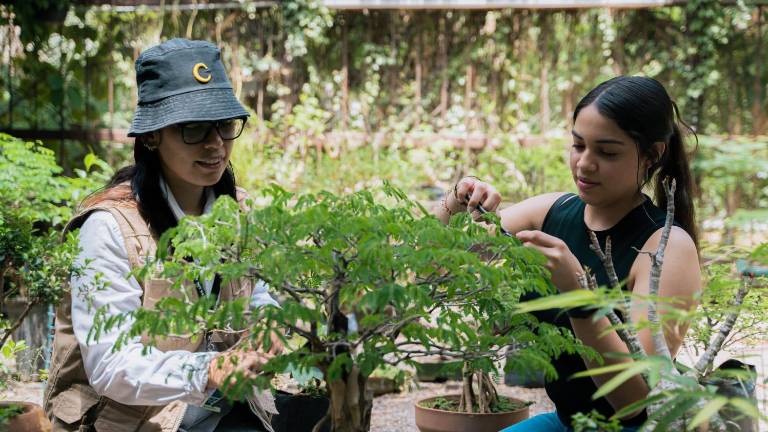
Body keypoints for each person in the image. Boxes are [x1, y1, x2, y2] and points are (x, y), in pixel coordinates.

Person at [435, 76, 701, 431]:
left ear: (652, 155)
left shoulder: (667, 248)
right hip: (566, 423)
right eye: (578, 146)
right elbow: (436, 266)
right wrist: (457, 198)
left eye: (606, 152)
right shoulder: (550, 213)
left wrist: (580, 297)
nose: (584, 164)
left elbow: (637, 402)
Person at [44, 39, 281, 432]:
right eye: (193, 128)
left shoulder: (239, 213)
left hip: (220, 405)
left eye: (223, 124)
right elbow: (111, 365)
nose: (215, 144)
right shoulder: (108, 228)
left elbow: (260, 294)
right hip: (130, 418)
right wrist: (211, 369)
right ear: (152, 137)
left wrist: (270, 323)